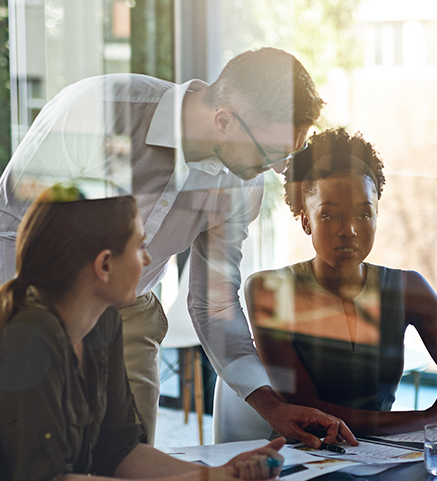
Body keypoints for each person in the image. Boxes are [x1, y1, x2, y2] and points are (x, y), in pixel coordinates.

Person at [0, 48, 356, 449]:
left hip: (131, 314)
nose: (276, 170)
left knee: (129, 461)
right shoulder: (101, 110)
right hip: (34, 297)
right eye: (271, 153)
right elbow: (12, 226)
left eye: (287, 156)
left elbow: (214, 303)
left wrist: (272, 407)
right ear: (223, 121)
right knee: (30, 457)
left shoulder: (241, 187)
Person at [0, 187, 283, 481]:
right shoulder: (31, 336)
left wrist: (220, 475)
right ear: (104, 264)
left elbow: (119, 451)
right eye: (139, 246)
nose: (148, 259)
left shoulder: (103, 322)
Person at [231, 128, 437, 438]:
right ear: (305, 220)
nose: (349, 230)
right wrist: (426, 418)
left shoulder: (409, 289)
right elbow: (309, 412)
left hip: (382, 459)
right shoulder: (268, 290)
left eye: (363, 215)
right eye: (330, 216)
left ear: (377, 216)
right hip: (304, 460)